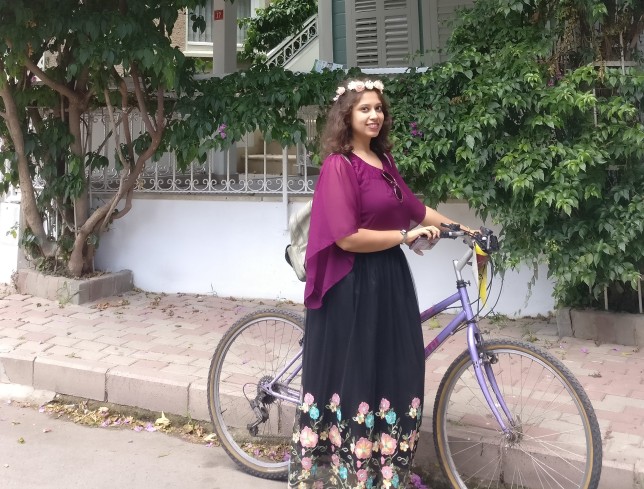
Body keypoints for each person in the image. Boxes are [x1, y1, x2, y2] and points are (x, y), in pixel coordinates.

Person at [287, 79, 473, 489]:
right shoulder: (341, 165)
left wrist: (465, 230)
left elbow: (416, 209)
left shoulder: (383, 163)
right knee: (356, 375)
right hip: (352, 284)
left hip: (388, 280)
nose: (375, 115)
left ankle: (382, 474)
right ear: (346, 117)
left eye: (379, 109)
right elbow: (345, 237)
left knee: (394, 369)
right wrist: (404, 237)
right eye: (364, 109)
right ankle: (345, 474)